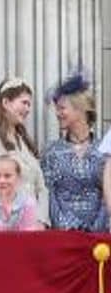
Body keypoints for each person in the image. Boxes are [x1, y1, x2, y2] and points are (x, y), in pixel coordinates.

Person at [42, 72, 111, 232]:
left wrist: (96, 227)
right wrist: (66, 227)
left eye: (62, 108)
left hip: (99, 234)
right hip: (63, 234)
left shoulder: (104, 151)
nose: (57, 114)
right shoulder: (51, 151)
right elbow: (49, 194)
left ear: (80, 109)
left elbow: (107, 191)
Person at [0, 77, 48, 226]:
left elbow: (41, 187)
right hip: (6, 221)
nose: (28, 109)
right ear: (6, 103)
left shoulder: (25, 142)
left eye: (29, 104)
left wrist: (41, 220)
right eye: (24, 103)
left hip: (34, 224)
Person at [0, 154, 42, 232]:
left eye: (7, 176)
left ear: (18, 178)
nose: (2, 180)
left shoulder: (28, 203)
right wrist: (3, 222)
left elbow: (27, 236)